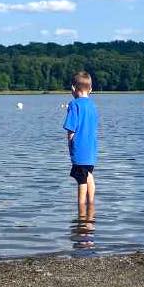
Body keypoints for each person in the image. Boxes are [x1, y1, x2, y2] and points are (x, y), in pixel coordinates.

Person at [63, 71, 99, 218]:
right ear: (90, 89)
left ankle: (81, 214)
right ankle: (91, 207)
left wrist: (70, 144)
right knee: (89, 175)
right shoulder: (92, 106)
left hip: (80, 149)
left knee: (81, 180)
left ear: (73, 89)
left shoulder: (74, 105)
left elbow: (71, 129)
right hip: (91, 150)